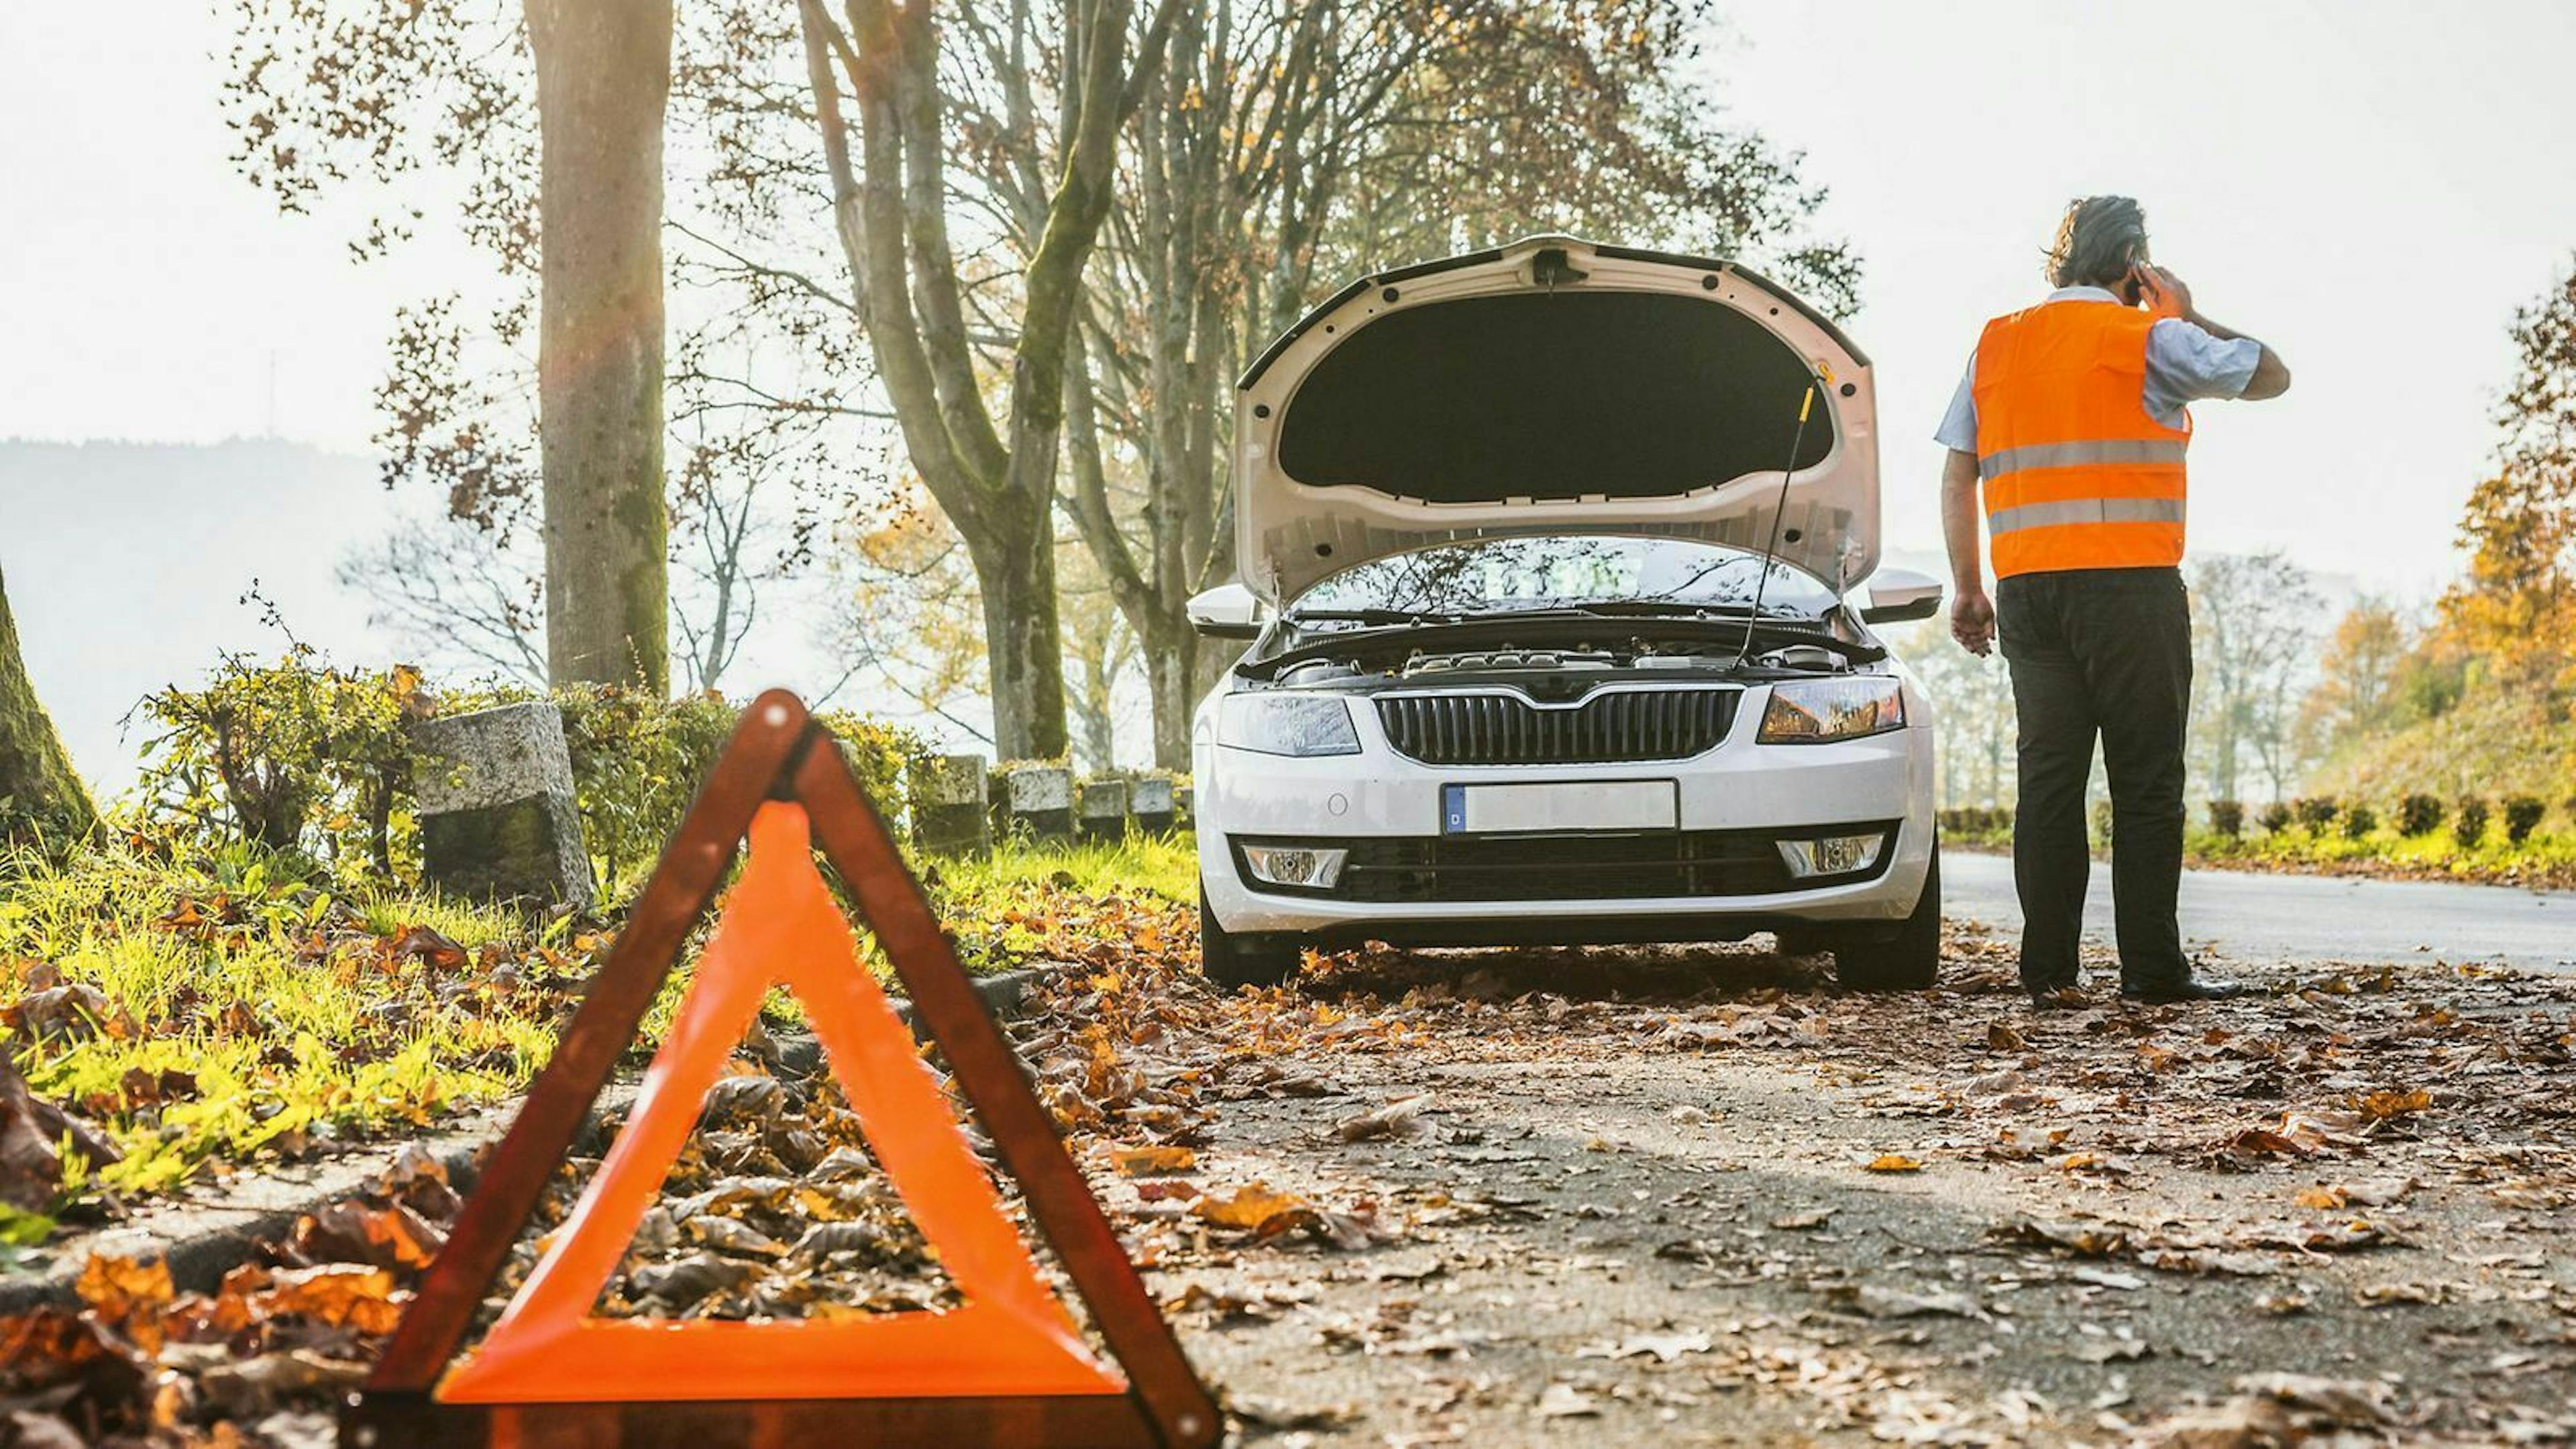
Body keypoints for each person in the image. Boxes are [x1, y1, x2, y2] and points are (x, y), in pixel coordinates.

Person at [1935, 195, 2291, 1006]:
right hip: (2129, 588)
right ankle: (2153, 972)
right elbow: (2271, 374)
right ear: (2135, 262)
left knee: (2050, 782)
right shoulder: (2152, 338)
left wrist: (1968, 586)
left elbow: (1961, 470)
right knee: (2145, 783)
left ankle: (2048, 974)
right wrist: (2192, 313)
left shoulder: (1996, 344)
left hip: (2028, 590)